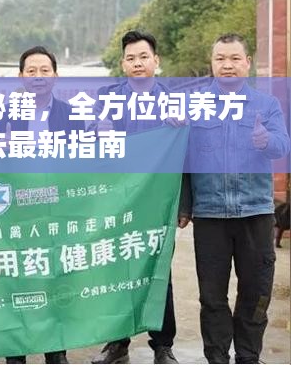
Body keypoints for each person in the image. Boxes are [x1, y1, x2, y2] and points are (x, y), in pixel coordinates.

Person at [183, 33, 290, 364]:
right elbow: (182, 160)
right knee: (212, 297)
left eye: (234, 58)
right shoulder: (195, 106)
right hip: (210, 216)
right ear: (212, 63)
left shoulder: (266, 105)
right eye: (220, 59)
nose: (227, 65)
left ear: (247, 62)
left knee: (256, 294)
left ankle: (248, 357)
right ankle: (217, 358)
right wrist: (185, 206)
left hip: (255, 214)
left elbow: (282, 147)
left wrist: (265, 140)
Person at [91, 30, 186, 364]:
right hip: (118, 202)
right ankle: (118, 344)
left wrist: (184, 205)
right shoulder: (106, 98)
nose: (137, 63)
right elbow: (87, 141)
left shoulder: (174, 102)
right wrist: (97, 130)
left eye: (143, 57)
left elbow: (188, 156)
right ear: (123, 64)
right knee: (117, 270)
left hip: (159, 204)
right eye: (130, 58)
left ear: (156, 61)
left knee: (159, 271)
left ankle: (163, 344)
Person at [3, 46, 85, 365]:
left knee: (55, 278)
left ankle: (56, 351)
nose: (38, 76)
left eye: (44, 70)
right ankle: (16, 352)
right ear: (21, 76)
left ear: (55, 75)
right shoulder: (3, 115)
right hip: (16, 212)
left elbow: (82, 162)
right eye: (31, 71)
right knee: (16, 278)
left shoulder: (70, 114)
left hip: (57, 211)